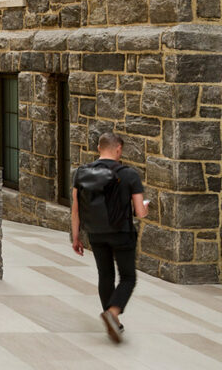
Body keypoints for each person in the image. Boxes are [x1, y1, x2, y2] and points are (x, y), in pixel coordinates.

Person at [71, 132, 148, 343]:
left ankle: (112, 320)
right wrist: (145, 208)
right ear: (118, 149)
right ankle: (112, 314)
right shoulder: (129, 175)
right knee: (128, 277)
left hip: (95, 233)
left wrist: (76, 237)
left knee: (105, 275)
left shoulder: (81, 173)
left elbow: (76, 209)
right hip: (122, 232)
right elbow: (140, 212)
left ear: (98, 148)